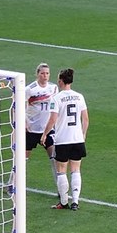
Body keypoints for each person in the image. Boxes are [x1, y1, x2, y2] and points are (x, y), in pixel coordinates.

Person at [7, 63, 60, 195]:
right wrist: (24, 122)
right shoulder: (29, 89)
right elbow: (18, 106)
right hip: (31, 130)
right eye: (42, 73)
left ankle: (61, 189)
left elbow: (56, 108)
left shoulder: (54, 88)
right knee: (22, 159)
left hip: (47, 130)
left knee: (54, 158)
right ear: (37, 74)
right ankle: (11, 184)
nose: (45, 76)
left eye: (47, 73)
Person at [42, 68, 88, 211]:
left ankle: (63, 202)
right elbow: (85, 119)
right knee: (76, 170)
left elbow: (52, 119)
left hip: (62, 140)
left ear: (61, 81)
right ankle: (75, 202)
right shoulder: (79, 96)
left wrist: (44, 134)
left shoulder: (56, 98)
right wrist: (83, 135)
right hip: (78, 140)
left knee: (61, 171)